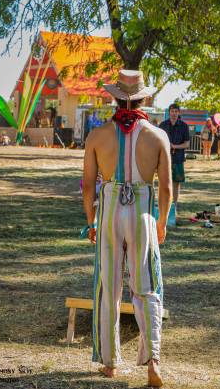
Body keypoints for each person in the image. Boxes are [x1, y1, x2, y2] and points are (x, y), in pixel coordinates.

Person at [83, 69, 172, 388]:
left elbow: (87, 187)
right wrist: (161, 223)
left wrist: (90, 221)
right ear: (144, 97)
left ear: (114, 97)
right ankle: (154, 362)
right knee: (146, 287)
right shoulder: (158, 136)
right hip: (143, 210)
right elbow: (167, 190)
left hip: (109, 208)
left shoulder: (96, 135)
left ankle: (109, 363)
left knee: (109, 286)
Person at [159, 103, 190, 217]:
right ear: (169, 112)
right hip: (164, 159)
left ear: (179, 113)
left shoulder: (184, 126)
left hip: (178, 158)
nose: (174, 113)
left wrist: (175, 146)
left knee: (176, 184)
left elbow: (187, 144)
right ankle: (163, 205)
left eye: (176, 111)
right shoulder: (163, 125)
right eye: (172, 111)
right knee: (164, 183)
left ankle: (174, 206)